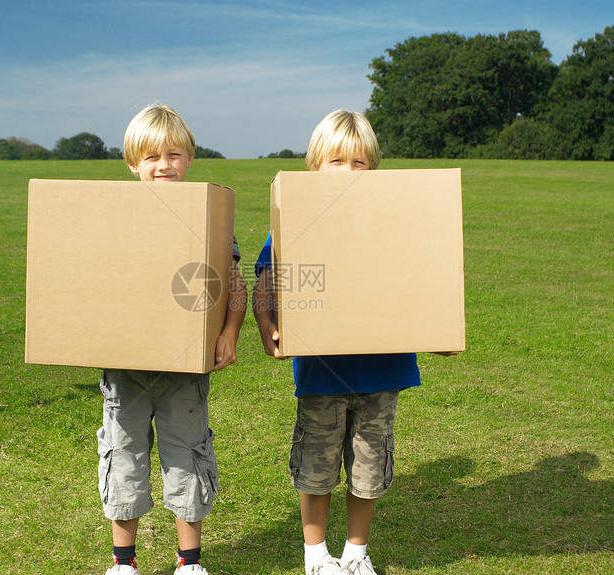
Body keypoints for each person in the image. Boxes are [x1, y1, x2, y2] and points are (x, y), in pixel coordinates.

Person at [252, 110, 456, 575]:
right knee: (316, 465)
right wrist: (266, 323)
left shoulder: (392, 219)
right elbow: (268, 274)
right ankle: (316, 557)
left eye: (359, 163)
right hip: (321, 371)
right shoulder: (297, 219)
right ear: (315, 166)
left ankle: (356, 554)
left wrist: (440, 329)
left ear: (374, 169)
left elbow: (426, 273)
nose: (348, 171)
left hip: (382, 371)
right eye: (337, 161)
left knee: (368, 466)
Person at [98, 104, 247, 575]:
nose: (164, 164)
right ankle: (124, 563)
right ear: (132, 163)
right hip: (125, 372)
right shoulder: (111, 218)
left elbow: (234, 281)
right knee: (124, 457)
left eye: (174, 154)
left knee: (187, 456)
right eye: (151, 156)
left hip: (186, 371)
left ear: (190, 159)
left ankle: (189, 562)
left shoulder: (208, 214)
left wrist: (228, 332)